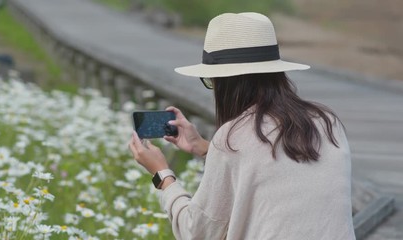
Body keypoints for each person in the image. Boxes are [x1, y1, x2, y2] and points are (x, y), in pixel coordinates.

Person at [129, 12, 356, 240]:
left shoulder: (231, 139)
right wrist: (204, 148)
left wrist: (161, 174)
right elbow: (271, 170)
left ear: (224, 82)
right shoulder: (327, 122)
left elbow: (196, 232)